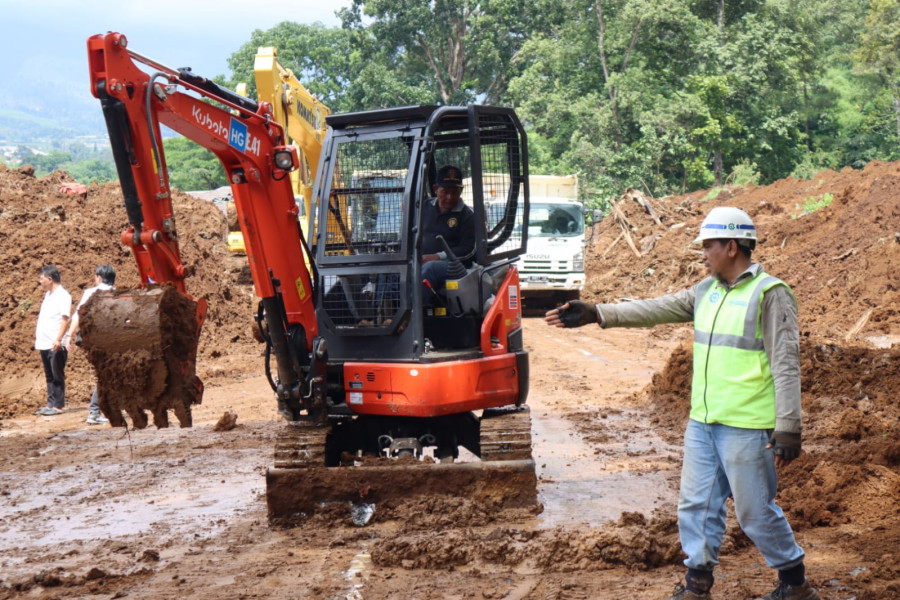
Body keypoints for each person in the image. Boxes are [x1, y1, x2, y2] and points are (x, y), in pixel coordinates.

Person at [545, 207, 820, 600]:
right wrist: (598, 313)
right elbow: (655, 308)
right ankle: (697, 586)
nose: (703, 253)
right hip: (704, 423)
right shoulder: (705, 291)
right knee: (696, 505)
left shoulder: (770, 295)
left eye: (708, 245)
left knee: (755, 512)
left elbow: (786, 364)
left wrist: (788, 427)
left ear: (731, 246)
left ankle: (795, 585)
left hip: (747, 426)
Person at [66, 264, 115, 425]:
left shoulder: (90, 292)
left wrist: (69, 335)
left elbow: (78, 316)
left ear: (99, 277)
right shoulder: (116, 294)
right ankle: (95, 411)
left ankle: (102, 409)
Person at [420, 165, 476, 304]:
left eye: (455, 192)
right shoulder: (422, 209)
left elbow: (469, 249)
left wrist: (437, 256)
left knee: (430, 268)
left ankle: (413, 315)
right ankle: (382, 315)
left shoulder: (467, 216)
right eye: (445, 192)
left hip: (455, 267)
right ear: (435, 189)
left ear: (461, 191)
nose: (450, 198)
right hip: (420, 260)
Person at [34, 265, 72, 416]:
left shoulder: (63, 296)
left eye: (41, 278)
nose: (40, 281)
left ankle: (58, 406)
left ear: (50, 279)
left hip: (55, 343)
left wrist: (58, 339)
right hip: (44, 342)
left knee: (57, 374)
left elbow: (65, 319)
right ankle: (50, 404)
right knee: (49, 375)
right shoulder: (49, 295)